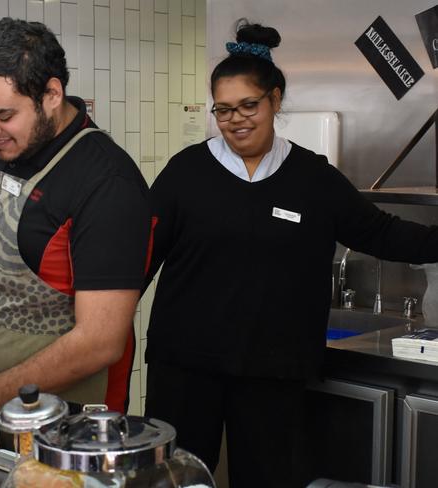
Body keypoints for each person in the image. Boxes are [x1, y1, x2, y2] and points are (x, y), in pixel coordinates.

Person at [144, 19, 438, 488]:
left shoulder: (313, 178)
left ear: (275, 100)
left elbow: (382, 234)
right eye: (223, 110)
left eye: (248, 106)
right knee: (177, 479)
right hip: (185, 366)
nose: (235, 119)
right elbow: (139, 256)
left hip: (273, 369)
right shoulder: (186, 174)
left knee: (269, 479)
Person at [0, 18, 152, 427]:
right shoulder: (7, 146)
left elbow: (100, 343)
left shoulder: (107, 185)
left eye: (2, 115)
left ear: (52, 93)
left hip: (59, 428)